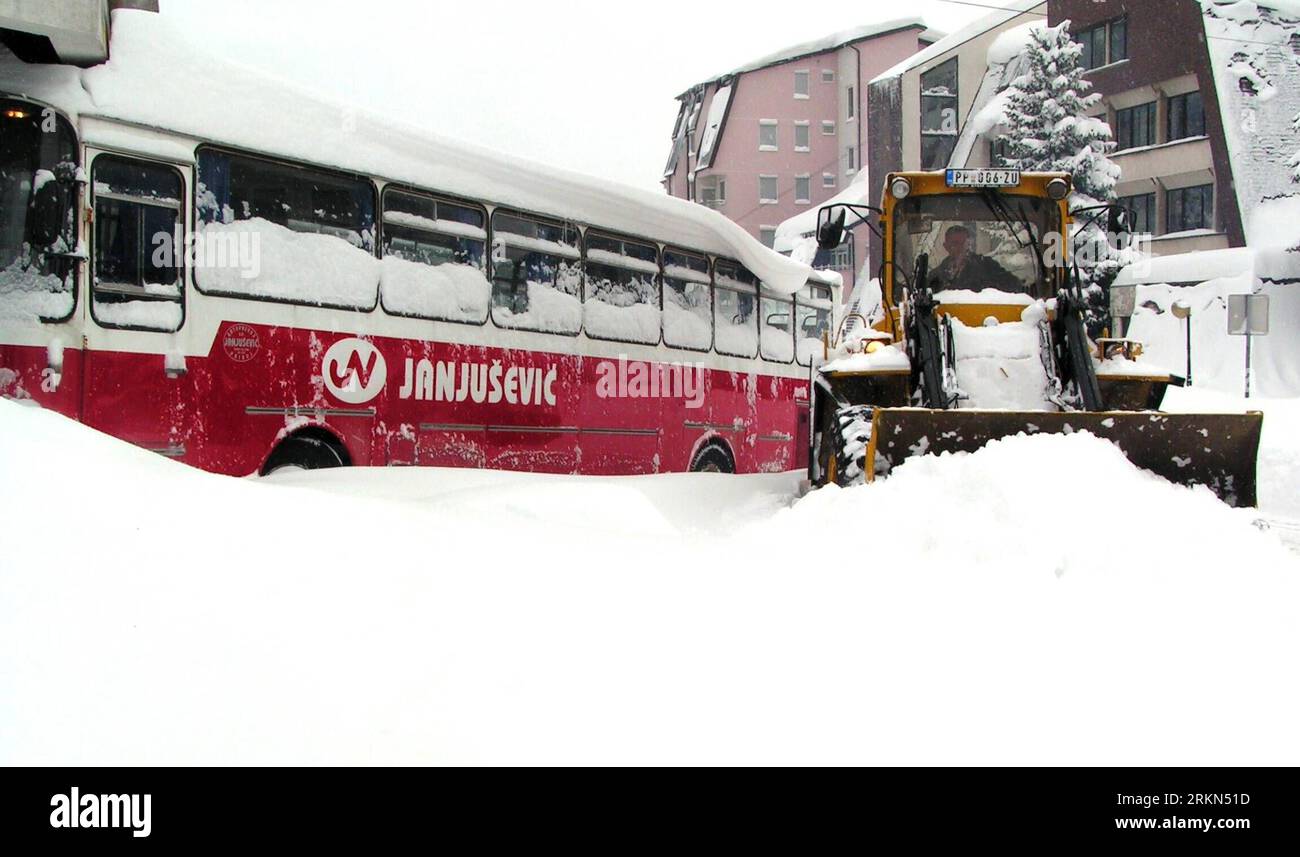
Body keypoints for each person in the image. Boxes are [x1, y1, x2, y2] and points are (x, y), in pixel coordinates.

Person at [931, 224, 1022, 292]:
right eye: (955, 244)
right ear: (946, 246)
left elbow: (1014, 286)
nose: (960, 248)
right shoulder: (935, 277)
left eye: (963, 243)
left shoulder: (988, 267)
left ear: (968, 244)